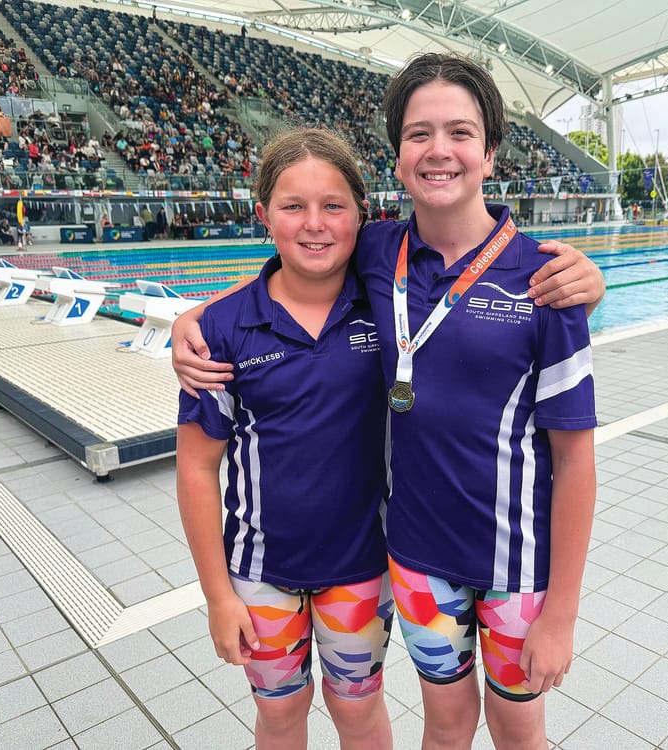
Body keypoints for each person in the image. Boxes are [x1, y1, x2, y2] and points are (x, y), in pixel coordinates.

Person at [173, 55, 603, 749]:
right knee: (447, 722)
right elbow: (284, 276)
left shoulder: (546, 283)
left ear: (490, 152)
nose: (439, 150)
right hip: (415, 560)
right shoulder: (376, 251)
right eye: (419, 134)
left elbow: (576, 462)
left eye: (460, 132)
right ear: (398, 159)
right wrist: (184, 323)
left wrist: (563, 614)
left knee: (521, 728)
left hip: (516, 567)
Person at [176, 128, 394, 750]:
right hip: (257, 573)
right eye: (293, 206)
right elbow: (196, 470)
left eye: (333, 206)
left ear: (361, 213)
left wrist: (586, 284)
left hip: (361, 565)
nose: (314, 224)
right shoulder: (219, 332)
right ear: (264, 214)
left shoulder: (386, 307)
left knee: (358, 711)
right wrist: (218, 595)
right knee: (279, 713)